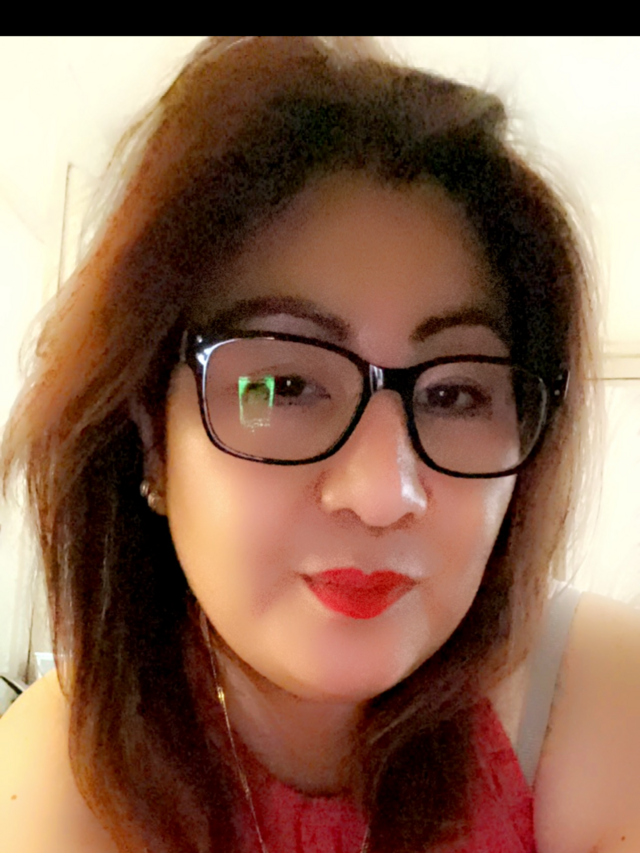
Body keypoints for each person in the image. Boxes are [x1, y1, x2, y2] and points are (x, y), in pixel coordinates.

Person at [1, 36, 639, 853]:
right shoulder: (59, 782)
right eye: (286, 386)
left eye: (455, 394)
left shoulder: (597, 703)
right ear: (152, 438)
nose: (383, 493)